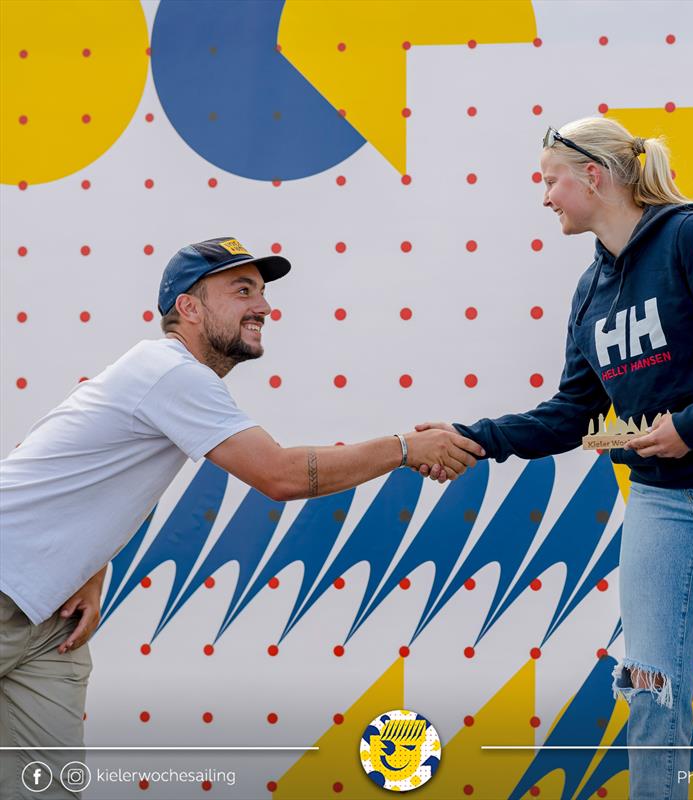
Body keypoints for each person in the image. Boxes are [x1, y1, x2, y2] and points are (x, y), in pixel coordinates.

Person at [0, 236, 484, 799]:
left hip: (48, 617)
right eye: (241, 290)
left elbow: (77, 473)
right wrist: (405, 448)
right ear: (188, 307)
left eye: (261, 292)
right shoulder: (170, 371)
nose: (264, 307)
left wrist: (88, 569)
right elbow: (279, 475)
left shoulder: (162, 377)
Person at [415, 118, 693, 798]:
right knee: (647, 686)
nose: (545, 198)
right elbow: (570, 414)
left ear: (593, 176)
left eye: (550, 180)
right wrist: (470, 438)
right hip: (658, 498)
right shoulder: (589, 292)